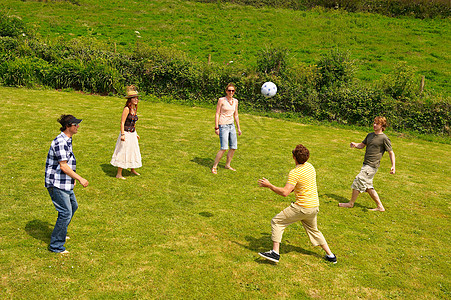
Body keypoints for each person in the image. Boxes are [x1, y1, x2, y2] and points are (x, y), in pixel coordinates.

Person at [257, 144, 337, 264]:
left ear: (294, 157)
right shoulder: (310, 167)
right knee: (314, 230)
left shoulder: (294, 172)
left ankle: (275, 253)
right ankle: (330, 256)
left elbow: (285, 192)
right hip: (314, 207)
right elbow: (302, 185)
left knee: (277, 221)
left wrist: (269, 185)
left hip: (302, 208)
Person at [45, 114, 89, 254]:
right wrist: (80, 178)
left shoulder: (68, 139)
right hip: (56, 183)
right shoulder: (60, 142)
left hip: (64, 182)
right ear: (68, 126)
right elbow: (63, 166)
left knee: (72, 207)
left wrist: (72, 178)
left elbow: (67, 163)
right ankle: (56, 245)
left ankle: (60, 232)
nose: (78, 127)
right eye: (75, 124)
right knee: (65, 212)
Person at [339, 116, 396, 212]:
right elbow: (362, 145)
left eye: (377, 123)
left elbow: (391, 152)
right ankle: (380, 207)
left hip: (372, 166)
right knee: (368, 187)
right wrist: (355, 145)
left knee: (358, 180)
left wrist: (393, 166)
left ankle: (350, 203)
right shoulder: (370, 135)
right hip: (366, 164)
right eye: (374, 123)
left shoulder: (384, 138)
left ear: (382, 125)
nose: (374, 125)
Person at [110, 85, 142, 179]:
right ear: (130, 99)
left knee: (133, 151)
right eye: (134, 98)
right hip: (126, 133)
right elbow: (122, 122)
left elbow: (133, 123)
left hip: (132, 133)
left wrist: (136, 133)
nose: (136, 100)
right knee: (124, 151)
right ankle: (119, 174)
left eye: (137, 98)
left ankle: (132, 169)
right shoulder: (126, 109)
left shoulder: (134, 109)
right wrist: (123, 134)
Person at [211, 83, 242, 174]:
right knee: (224, 148)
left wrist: (238, 128)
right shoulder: (221, 100)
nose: (231, 92)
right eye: (229, 90)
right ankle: (214, 166)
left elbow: (236, 115)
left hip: (231, 126)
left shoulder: (235, 101)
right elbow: (217, 113)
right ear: (226, 91)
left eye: (232, 91)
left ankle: (227, 165)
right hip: (223, 125)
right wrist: (216, 127)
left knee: (233, 147)